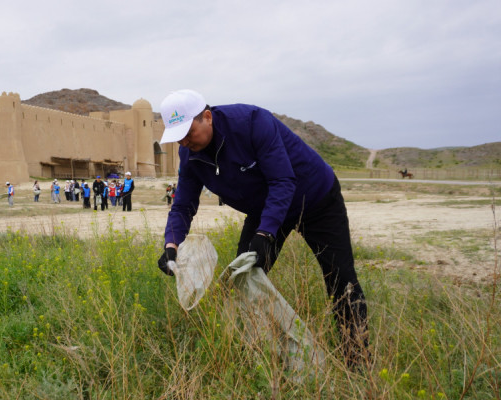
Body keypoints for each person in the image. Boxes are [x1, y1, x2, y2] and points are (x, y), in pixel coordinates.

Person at [156, 89, 369, 367]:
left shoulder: (252, 122)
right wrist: (171, 245)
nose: (184, 141)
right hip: (264, 206)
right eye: (177, 136)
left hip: (315, 197)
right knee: (242, 279)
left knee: (341, 279)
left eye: (188, 132)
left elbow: (282, 181)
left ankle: (357, 362)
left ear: (207, 117)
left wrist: (265, 233)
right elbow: (183, 204)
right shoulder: (190, 154)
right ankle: (265, 358)